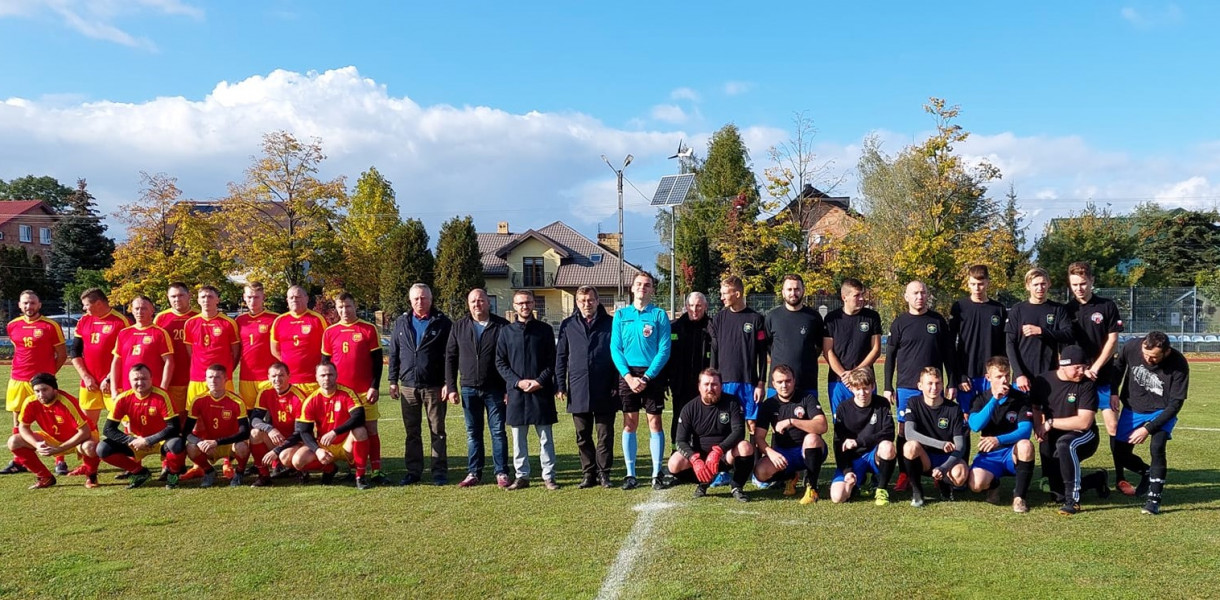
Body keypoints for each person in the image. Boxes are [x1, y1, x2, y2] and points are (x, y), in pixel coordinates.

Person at [883, 280, 954, 492]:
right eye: (914, 293)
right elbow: (890, 357)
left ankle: (938, 471)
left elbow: (949, 354)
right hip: (907, 387)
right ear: (906, 297)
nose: (919, 297)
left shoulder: (937, 321)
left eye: (923, 292)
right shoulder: (899, 323)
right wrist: (888, 386)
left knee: (937, 427)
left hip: (934, 386)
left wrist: (952, 381)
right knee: (905, 430)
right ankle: (905, 473)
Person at [1109, 332, 1189, 515]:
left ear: (1166, 352)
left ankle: (1154, 500)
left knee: (1157, 447)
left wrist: (1148, 429)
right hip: (1133, 407)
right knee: (1120, 453)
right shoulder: (1131, 346)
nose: (1148, 359)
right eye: (1146, 355)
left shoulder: (1178, 363)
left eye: (1154, 357)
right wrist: (1114, 391)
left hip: (1162, 410)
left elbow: (1176, 404)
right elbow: (1118, 367)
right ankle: (1147, 472)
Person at [1064, 262, 1124, 488]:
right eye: (1074, 285)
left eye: (1083, 284)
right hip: (1076, 380)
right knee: (1074, 426)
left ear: (1092, 281)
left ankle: (1120, 477)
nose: (1079, 289)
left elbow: (1113, 340)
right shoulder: (1067, 310)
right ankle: (1069, 475)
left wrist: (1096, 367)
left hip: (1101, 377)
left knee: (1112, 427)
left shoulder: (1107, 306)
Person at [610, 272, 671, 490]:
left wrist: (646, 377)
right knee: (630, 423)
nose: (642, 288)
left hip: (651, 375)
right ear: (632, 288)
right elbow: (615, 349)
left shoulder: (659, 315)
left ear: (652, 290)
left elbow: (664, 349)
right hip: (627, 374)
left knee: (654, 422)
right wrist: (628, 377)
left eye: (647, 285)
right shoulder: (621, 315)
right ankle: (630, 473)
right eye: (639, 284)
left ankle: (656, 473)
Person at [1032, 345, 1110, 515]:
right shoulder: (1042, 381)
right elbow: (1036, 407)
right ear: (1063, 365)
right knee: (1057, 493)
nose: (1081, 371)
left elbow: (1084, 422)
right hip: (1053, 437)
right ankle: (1097, 479)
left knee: (1066, 444)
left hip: (1083, 436)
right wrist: (1038, 427)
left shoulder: (1086, 385)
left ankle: (1072, 501)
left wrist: (1050, 423)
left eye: (1084, 367)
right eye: (1077, 367)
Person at [389, 283, 454, 486]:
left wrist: (447, 383)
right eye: (416, 298)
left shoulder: (443, 322)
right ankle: (413, 471)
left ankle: (439, 472)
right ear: (410, 300)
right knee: (412, 432)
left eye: (424, 298)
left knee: (437, 431)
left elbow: (450, 356)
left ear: (431, 299)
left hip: (434, 385)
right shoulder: (401, 322)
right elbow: (394, 353)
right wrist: (392, 381)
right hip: (408, 385)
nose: (420, 302)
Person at [445, 289, 511, 488]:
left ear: (488, 302)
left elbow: (510, 359)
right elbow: (450, 357)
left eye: (480, 300)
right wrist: (451, 387)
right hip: (468, 388)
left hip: (496, 389)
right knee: (473, 432)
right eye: (473, 301)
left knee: (498, 431)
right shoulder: (459, 326)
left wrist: (509, 387)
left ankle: (501, 472)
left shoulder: (502, 326)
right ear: (468, 304)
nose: (477, 304)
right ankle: (474, 472)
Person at [495, 290, 559, 491]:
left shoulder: (545, 330)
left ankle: (548, 476)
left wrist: (540, 381)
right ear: (514, 306)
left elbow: (552, 360)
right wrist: (517, 382)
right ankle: (522, 476)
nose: (525, 306)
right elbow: (500, 362)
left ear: (533, 304)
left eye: (528, 302)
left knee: (545, 438)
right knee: (518, 438)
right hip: (517, 393)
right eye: (521, 303)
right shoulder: (505, 332)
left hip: (541, 391)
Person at [556, 286, 618, 489]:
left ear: (597, 301)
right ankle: (588, 473)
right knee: (582, 435)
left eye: (590, 300)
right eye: (582, 301)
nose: (586, 304)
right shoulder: (568, 325)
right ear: (576, 302)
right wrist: (560, 385)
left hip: (606, 386)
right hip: (578, 386)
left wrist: (617, 384)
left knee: (605, 435)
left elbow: (619, 355)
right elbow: (561, 357)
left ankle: (604, 473)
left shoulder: (611, 323)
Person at [2, 290, 67, 475]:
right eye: (25, 303)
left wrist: (47, 378)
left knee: (52, 419)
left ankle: (60, 460)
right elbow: (19, 351)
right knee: (19, 421)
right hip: (18, 380)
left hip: (42, 382)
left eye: (32, 303)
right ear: (19, 305)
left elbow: (61, 355)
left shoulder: (50, 326)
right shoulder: (13, 325)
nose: (29, 307)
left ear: (39, 305)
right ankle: (19, 461)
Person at [322, 292, 385, 482]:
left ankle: (376, 470)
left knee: (370, 429)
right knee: (344, 430)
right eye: (340, 307)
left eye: (348, 306)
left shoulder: (368, 329)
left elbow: (377, 363)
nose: (344, 310)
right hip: (341, 394)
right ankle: (352, 467)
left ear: (355, 306)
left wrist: (374, 386)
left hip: (365, 391)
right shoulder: (330, 332)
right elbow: (324, 363)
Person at [667, 368, 754, 502]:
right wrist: (695, 459)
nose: (710, 388)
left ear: (721, 386)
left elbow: (739, 432)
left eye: (714, 384)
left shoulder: (732, 402)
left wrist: (719, 450)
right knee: (674, 463)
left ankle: (737, 486)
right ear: (699, 387)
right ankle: (703, 482)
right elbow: (680, 440)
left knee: (745, 447)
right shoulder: (689, 408)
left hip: (725, 455)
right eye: (706, 384)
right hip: (701, 457)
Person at [966, 357, 1036, 513]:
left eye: (1007, 375)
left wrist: (998, 440)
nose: (1004, 380)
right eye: (999, 376)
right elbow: (975, 426)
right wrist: (994, 400)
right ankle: (994, 485)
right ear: (988, 378)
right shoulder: (980, 399)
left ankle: (1019, 497)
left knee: (1026, 445)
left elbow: (1025, 431)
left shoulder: (1021, 398)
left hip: (1012, 453)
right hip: (990, 454)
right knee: (976, 485)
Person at [98, 364, 186, 489]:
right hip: (136, 442)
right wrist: (131, 440)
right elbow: (108, 429)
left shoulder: (162, 396)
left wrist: (148, 440)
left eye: (144, 379)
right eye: (136, 379)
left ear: (151, 379)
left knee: (176, 444)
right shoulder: (123, 398)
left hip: (160, 441)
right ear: (129, 380)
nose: (140, 382)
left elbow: (174, 427)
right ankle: (139, 472)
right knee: (103, 449)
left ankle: (173, 475)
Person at [7, 373, 99, 489]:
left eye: (45, 390)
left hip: (81, 438)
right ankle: (45, 477)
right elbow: (23, 427)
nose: (41, 394)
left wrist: (60, 449)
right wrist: (37, 444)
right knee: (14, 441)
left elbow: (84, 432)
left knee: (90, 447)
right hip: (54, 439)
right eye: (37, 391)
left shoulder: (66, 402)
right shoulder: (30, 402)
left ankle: (91, 475)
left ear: (55, 390)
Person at [288, 362, 371, 489]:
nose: (326, 378)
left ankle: (360, 476)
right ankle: (330, 468)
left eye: (330, 374)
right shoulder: (311, 400)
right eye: (322, 375)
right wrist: (318, 450)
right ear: (316, 377)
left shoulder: (347, 393)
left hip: (345, 442)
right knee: (297, 461)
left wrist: (335, 432)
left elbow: (359, 417)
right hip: (325, 445)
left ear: (336, 375)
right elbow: (304, 431)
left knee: (360, 431)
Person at [752, 365, 828, 504]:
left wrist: (792, 421)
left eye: (788, 381)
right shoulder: (769, 404)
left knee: (812, 438)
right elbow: (759, 437)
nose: (784, 385)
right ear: (773, 384)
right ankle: (791, 477)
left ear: (794, 381)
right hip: (784, 453)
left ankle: (812, 487)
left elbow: (822, 426)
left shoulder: (807, 398)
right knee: (760, 472)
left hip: (808, 449)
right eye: (780, 382)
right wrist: (771, 453)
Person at [709, 276, 768, 436]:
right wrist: (713, 380)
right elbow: (714, 351)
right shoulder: (718, 319)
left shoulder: (756, 319)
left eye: (725, 293)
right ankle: (728, 461)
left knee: (752, 424)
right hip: (725, 382)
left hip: (748, 382)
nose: (721, 297)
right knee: (726, 425)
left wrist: (761, 383)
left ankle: (754, 460)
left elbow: (762, 355)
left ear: (737, 294)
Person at [829, 367, 897, 505]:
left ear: (873, 386)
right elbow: (838, 443)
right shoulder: (843, 408)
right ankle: (855, 484)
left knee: (888, 447)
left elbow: (889, 432)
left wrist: (858, 441)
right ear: (852, 389)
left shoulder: (882, 404)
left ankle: (881, 489)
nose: (862, 393)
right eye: (858, 388)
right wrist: (847, 471)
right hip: (853, 458)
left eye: (866, 388)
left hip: (874, 455)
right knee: (838, 497)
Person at [902, 368, 967, 507]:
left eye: (937, 383)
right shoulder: (913, 403)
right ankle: (917, 491)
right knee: (910, 447)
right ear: (920, 386)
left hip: (946, 458)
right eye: (929, 383)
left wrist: (944, 468)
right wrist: (940, 444)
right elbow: (909, 433)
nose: (934, 388)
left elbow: (960, 446)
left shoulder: (953, 409)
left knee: (960, 475)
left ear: (942, 385)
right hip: (924, 457)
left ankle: (944, 483)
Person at [69, 288, 131, 428]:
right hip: (89, 383)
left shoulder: (122, 322)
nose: (84, 308)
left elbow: (127, 356)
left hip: (115, 383)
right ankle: (90, 450)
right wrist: (85, 377)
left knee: (128, 424)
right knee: (87, 427)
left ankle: (133, 449)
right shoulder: (84, 321)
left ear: (97, 303)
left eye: (86, 305)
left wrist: (109, 378)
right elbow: (75, 351)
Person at [1006, 267, 1073, 393]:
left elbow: (1068, 334)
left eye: (1043, 284)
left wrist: (1042, 331)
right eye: (1035, 284)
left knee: (1048, 412)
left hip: (1050, 375)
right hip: (1023, 378)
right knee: (1023, 412)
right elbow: (1010, 345)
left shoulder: (1058, 309)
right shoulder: (1018, 310)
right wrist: (1019, 374)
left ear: (1049, 284)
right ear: (1027, 286)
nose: (1040, 288)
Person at [949, 265, 1007, 411]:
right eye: (973, 284)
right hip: (967, 375)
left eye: (980, 284)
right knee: (965, 421)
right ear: (968, 283)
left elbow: (1004, 345)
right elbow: (950, 344)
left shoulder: (998, 309)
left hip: (991, 375)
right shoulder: (959, 307)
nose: (977, 288)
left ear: (987, 282)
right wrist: (959, 375)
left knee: (992, 418)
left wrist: (1003, 373)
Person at [183, 364, 251, 488]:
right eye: (210, 377)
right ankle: (209, 471)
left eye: (218, 377)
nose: (213, 380)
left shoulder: (237, 401)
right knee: (191, 447)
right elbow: (186, 432)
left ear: (226, 379)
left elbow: (245, 432)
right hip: (208, 446)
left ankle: (239, 473)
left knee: (242, 446)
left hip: (229, 445)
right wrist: (199, 442)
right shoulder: (198, 400)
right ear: (205, 380)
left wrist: (217, 442)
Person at [823, 278, 882, 416]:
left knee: (868, 423)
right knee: (840, 425)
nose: (862, 299)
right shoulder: (832, 319)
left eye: (862, 294)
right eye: (857, 295)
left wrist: (855, 373)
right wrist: (844, 375)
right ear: (844, 297)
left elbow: (876, 349)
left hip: (865, 381)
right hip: (838, 381)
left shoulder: (872, 317)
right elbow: (828, 351)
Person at [765, 274, 826, 401]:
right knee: (778, 421)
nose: (793, 293)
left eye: (797, 289)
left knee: (810, 420)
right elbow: (768, 344)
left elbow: (820, 346)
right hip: (778, 385)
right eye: (789, 289)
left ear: (803, 290)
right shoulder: (772, 316)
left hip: (806, 383)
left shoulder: (814, 317)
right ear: (783, 292)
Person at [247, 361, 305, 487]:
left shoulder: (298, 397)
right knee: (255, 433)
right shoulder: (265, 392)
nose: (277, 379)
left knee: (285, 457)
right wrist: (269, 429)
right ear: (268, 377)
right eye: (273, 376)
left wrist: (277, 450)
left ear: (289, 376)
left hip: (296, 441)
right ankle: (263, 476)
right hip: (276, 437)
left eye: (281, 375)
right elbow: (255, 419)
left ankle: (299, 470)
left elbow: (300, 432)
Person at [664, 292, 711, 443]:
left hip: (705, 385)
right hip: (680, 384)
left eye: (698, 305)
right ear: (686, 307)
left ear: (705, 306)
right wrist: (666, 380)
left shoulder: (712, 328)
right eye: (691, 305)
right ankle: (676, 453)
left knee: (703, 419)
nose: (694, 309)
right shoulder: (674, 328)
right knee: (679, 418)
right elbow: (666, 356)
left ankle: (700, 453)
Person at [109, 295, 174, 397]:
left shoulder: (159, 333)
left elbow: (169, 362)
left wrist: (163, 388)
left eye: (144, 308)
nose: (140, 312)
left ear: (152, 310)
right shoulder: (123, 333)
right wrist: (114, 389)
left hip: (153, 390)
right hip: (128, 389)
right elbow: (116, 362)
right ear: (132, 311)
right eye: (137, 308)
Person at [270, 285, 328, 396]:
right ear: (287, 300)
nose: (294, 300)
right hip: (289, 381)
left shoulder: (317, 319)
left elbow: (327, 348)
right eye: (291, 297)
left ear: (306, 298)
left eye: (298, 297)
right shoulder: (279, 321)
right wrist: (290, 364)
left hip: (312, 380)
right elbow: (274, 350)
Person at [154, 282, 198, 424]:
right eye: (173, 296)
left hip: (197, 378)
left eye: (181, 295)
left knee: (197, 418)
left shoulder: (198, 316)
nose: (177, 299)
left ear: (189, 296)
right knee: (176, 418)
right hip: (172, 379)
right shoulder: (161, 318)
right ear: (168, 297)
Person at [236, 282, 278, 412]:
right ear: (244, 297)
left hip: (268, 376)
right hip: (246, 377)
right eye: (249, 297)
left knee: (269, 414)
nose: (252, 301)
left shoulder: (275, 319)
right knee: (249, 414)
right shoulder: (239, 321)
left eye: (256, 297)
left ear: (263, 297)